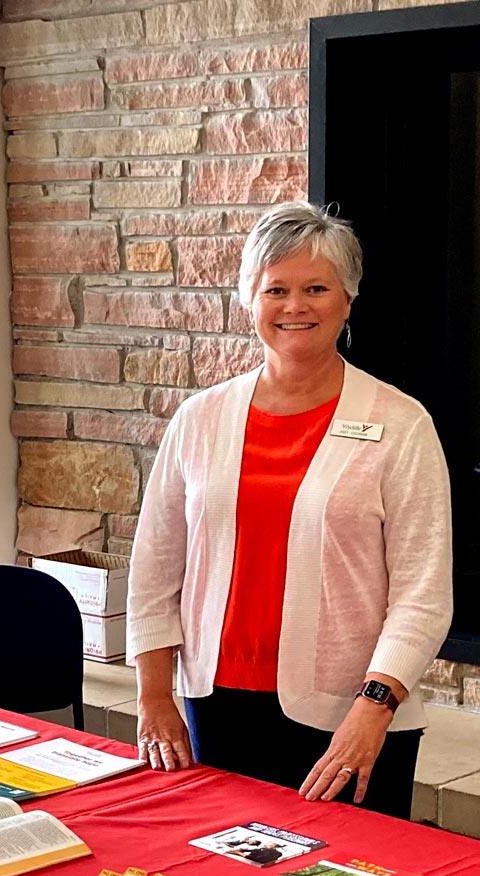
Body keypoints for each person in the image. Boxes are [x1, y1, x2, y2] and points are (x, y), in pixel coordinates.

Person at [125, 200, 453, 819]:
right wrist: (153, 694)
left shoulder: (401, 424)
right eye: (276, 288)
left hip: (352, 718)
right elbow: (155, 568)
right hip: (214, 704)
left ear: (348, 300)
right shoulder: (201, 419)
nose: (295, 306)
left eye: (316, 288)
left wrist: (372, 708)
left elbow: (423, 594)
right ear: (251, 299)